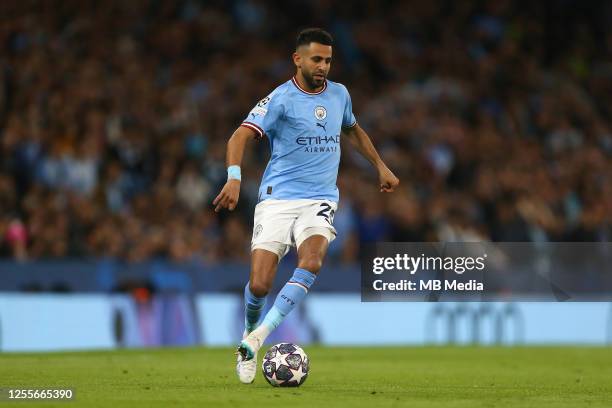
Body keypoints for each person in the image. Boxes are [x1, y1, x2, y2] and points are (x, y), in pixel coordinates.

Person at [213, 28, 399, 384]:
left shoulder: (340, 95)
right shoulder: (280, 99)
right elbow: (239, 135)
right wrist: (234, 177)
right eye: (317, 59)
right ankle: (249, 333)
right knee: (260, 285)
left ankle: (257, 339)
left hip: (320, 199)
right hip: (278, 199)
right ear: (297, 59)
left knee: (312, 260)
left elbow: (353, 129)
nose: (323, 66)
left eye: (328, 60)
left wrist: (380, 165)